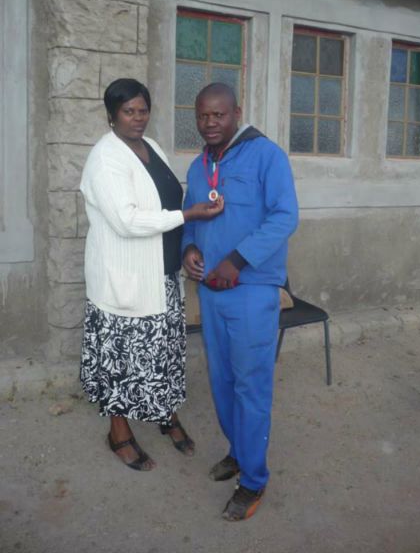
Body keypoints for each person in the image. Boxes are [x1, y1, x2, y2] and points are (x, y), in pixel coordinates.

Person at [79, 78, 223, 471]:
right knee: (120, 359)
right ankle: (118, 433)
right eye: (129, 111)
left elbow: (167, 197)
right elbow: (126, 221)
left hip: (162, 274)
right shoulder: (105, 158)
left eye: (143, 110)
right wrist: (187, 215)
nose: (138, 118)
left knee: (163, 354)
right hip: (125, 277)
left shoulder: (151, 147)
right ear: (112, 115)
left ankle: (165, 415)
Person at [182, 83, 299, 520]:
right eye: (202, 115)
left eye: (219, 114)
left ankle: (253, 480)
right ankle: (238, 451)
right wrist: (189, 250)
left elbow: (285, 216)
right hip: (210, 292)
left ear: (236, 112)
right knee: (223, 381)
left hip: (251, 291)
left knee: (251, 385)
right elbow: (191, 221)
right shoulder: (198, 166)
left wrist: (237, 259)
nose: (210, 123)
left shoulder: (267, 156)